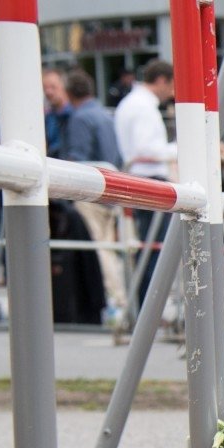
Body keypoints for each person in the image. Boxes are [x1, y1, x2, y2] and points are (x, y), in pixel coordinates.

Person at [59, 69, 129, 320]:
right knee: (108, 245)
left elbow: (77, 157)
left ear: (69, 93)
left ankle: (113, 298)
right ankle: (119, 295)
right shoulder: (104, 115)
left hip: (91, 190)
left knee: (98, 247)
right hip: (112, 187)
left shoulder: (80, 119)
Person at [113, 59, 176, 304]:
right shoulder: (142, 106)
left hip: (139, 178)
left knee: (149, 248)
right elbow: (146, 149)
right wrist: (179, 149)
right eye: (171, 85)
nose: (172, 92)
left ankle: (145, 305)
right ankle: (149, 305)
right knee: (155, 248)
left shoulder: (131, 103)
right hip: (150, 180)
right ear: (161, 80)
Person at [42, 67, 71, 158]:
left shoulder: (75, 115)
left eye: (53, 87)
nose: (48, 92)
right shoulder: (48, 117)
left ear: (64, 86)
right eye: (45, 88)